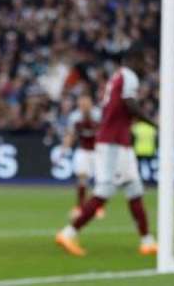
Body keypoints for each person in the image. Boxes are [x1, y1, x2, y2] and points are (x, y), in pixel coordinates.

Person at [56, 47, 158, 256]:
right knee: (105, 190)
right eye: (144, 61)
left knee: (134, 189)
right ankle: (68, 233)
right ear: (134, 60)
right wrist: (154, 123)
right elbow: (130, 104)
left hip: (119, 142)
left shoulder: (117, 77)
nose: (146, 66)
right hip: (113, 143)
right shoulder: (129, 76)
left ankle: (147, 241)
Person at [60, 94, 103, 219]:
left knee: (100, 179)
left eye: (85, 102)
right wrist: (64, 149)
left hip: (98, 151)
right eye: (81, 103)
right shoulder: (75, 116)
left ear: (90, 103)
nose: (83, 105)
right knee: (82, 177)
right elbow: (71, 134)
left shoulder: (98, 115)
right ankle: (80, 206)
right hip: (83, 150)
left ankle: (98, 207)